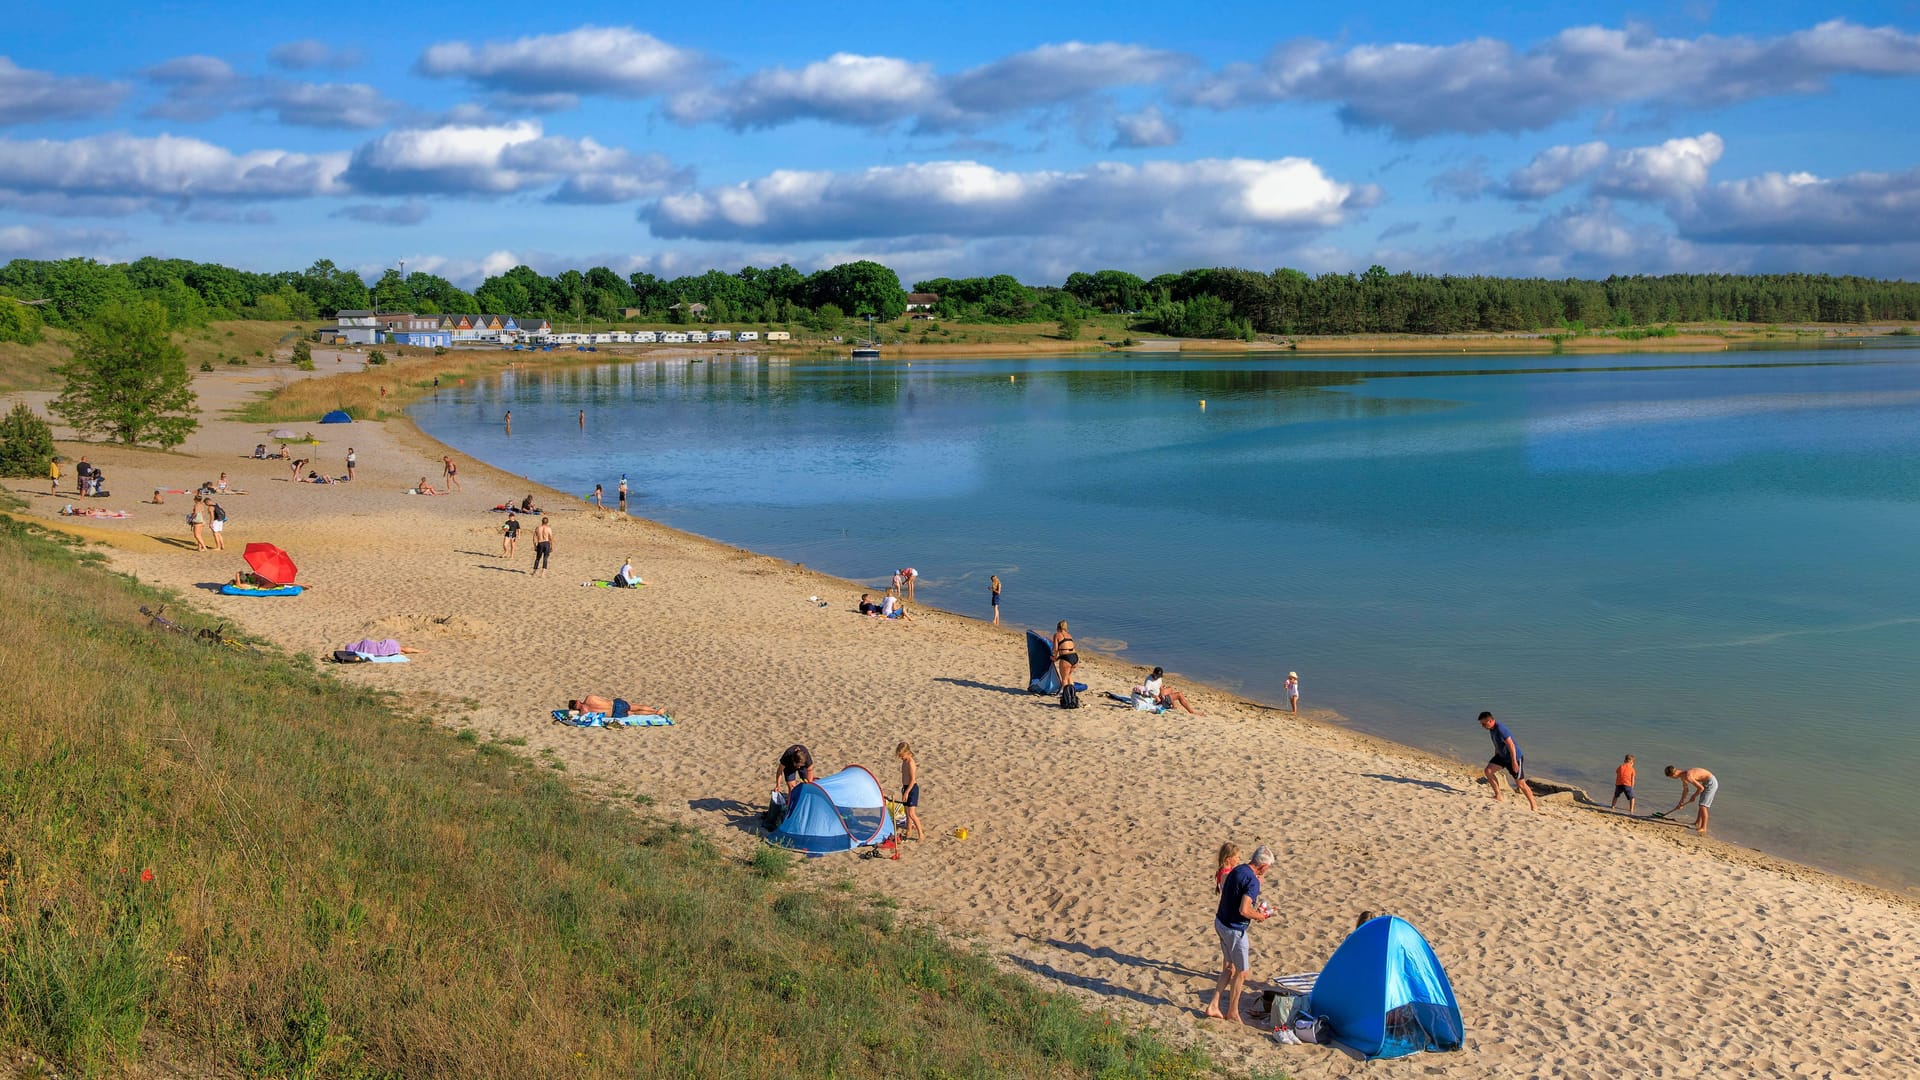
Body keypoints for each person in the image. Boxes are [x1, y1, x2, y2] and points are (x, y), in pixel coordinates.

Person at [1202, 845, 1274, 1024]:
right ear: (1264, 866)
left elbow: (1233, 895)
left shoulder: (1239, 869)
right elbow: (1244, 910)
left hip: (1221, 922)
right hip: (1234, 929)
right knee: (1242, 972)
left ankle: (1213, 1005)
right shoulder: (1253, 882)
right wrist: (1260, 916)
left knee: (1229, 968)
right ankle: (1233, 1011)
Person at [1479, 711, 1540, 812]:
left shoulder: (1501, 729)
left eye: (1484, 724)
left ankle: (1534, 806)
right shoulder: (1491, 729)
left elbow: (1511, 745)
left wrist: (1514, 762)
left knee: (1521, 784)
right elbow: (1497, 743)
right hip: (1502, 756)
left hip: (1515, 757)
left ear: (1490, 721)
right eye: (1481, 724)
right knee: (1488, 771)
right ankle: (1498, 795)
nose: (1483, 726)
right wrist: (1496, 756)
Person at [1664, 765, 1719, 835]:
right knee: (1701, 805)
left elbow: (1701, 788)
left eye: (1670, 777)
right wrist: (1681, 802)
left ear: (1673, 775)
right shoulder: (1683, 776)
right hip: (1705, 782)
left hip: (1711, 783)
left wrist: (1694, 796)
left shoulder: (1688, 776)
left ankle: (1704, 828)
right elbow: (1685, 790)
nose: (1671, 778)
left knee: (1703, 806)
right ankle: (1697, 823)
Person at [896, 742, 923, 841]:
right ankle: (909, 830)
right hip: (905, 787)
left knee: (912, 813)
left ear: (907, 752)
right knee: (907, 813)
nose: (901, 758)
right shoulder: (904, 761)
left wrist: (907, 792)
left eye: (902, 756)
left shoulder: (911, 763)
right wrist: (904, 789)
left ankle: (921, 834)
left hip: (912, 789)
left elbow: (912, 780)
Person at [1052, 620, 1079, 691]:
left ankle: (1066, 695)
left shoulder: (1057, 635)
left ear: (1058, 627)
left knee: (1064, 679)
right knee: (1068, 676)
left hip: (1066, 658)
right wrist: (1058, 658)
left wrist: (1054, 658)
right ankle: (1072, 694)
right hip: (1075, 657)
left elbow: (1055, 649)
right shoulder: (1069, 635)